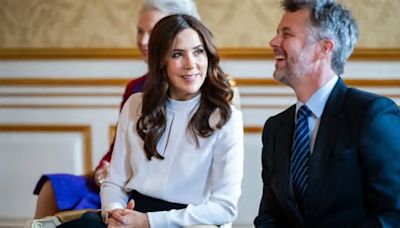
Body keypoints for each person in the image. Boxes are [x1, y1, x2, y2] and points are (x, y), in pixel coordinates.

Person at [59, 14, 244, 228]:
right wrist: (116, 215)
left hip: (184, 222)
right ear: (160, 61)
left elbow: (224, 207)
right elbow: (115, 182)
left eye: (198, 52)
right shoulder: (135, 105)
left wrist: (147, 222)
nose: (191, 64)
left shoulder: (226, 118)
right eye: (177, 54)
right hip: (132, 213)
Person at [32, 0, 200, 219]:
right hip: (117, 181)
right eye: (140, 31)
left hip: (149, 188)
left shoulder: (198, 90)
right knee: (53, 188)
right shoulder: (135, 89)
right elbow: (116, 149)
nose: (144, 41)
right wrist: (105, 168)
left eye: (154, 32)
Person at [254, 0, 400, 227]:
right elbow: (269, 217)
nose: (274, 42)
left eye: (287, 34)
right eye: (277, 33)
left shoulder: (372, 115)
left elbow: (393, 214)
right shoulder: (275, 128)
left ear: (323, 49)